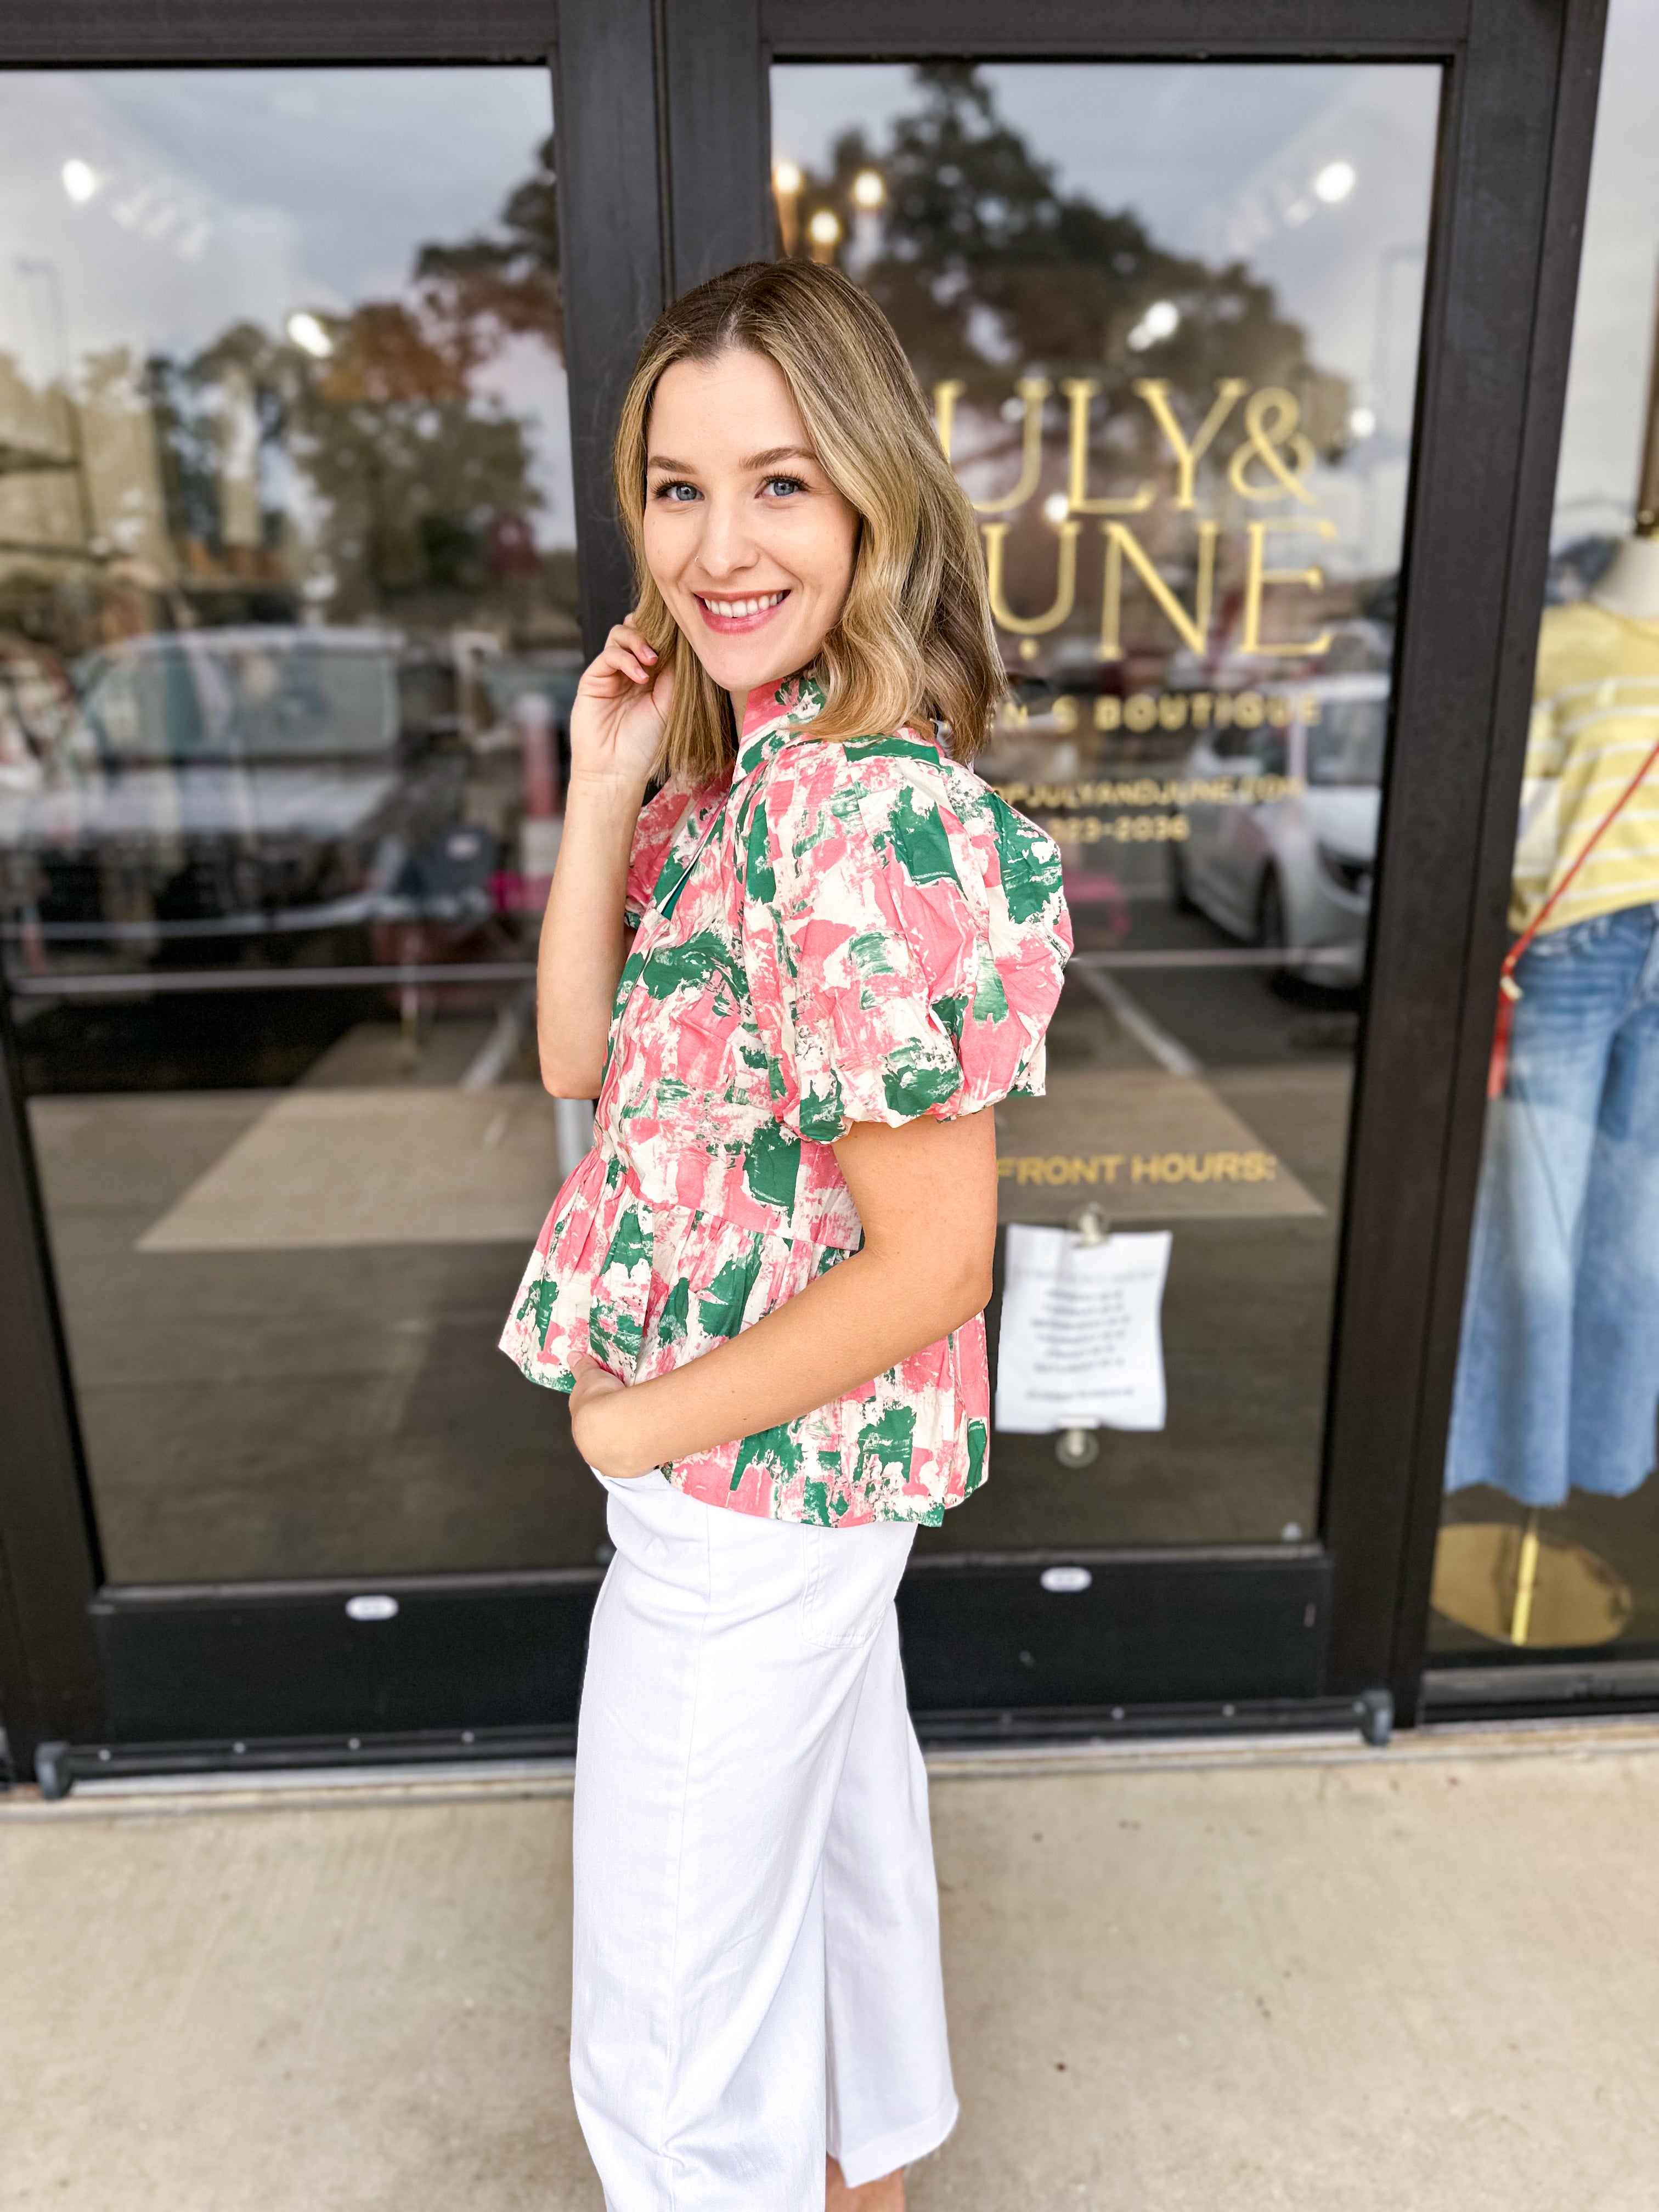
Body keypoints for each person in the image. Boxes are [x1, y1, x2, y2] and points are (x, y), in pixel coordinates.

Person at [501, 260, 1071, 2211]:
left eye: (780, 485)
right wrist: (601, 786)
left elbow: (938, 1266)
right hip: (786, 1497)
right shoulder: (756, 789)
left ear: (872, 502)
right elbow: (580, 1049)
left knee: (664, 2056)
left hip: (739, 1498)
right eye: (675, 489)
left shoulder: (845, 818)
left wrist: (622, 1432)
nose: (719, 545)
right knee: (842, 1884)